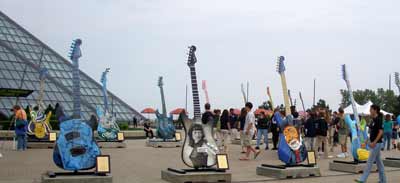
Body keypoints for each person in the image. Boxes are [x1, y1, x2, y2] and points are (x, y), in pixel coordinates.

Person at [355, 104, 386, 183]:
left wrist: (374, 142)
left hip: (377, 144)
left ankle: (362, 180)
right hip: (373, 143)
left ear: (375, 110)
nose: (369, 111)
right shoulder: (373, 120)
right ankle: (383, 180)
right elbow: (371, 133)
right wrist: (366, 142)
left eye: (371, 109)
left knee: (369, 162)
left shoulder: (379, 120)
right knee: (379, 164)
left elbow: (381, 132)